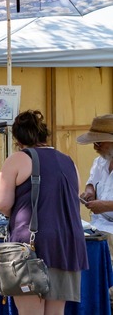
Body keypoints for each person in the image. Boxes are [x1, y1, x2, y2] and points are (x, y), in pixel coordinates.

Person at [0, 110, 88, 315]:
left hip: (32, 245)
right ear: (45, 135)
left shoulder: (18, 159)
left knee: (30, 312)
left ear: (18, 140)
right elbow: (74, 197)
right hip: (67, 242)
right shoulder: (68, 161)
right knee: (56, 312)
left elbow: (1, 203)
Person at [77, 113, 113, 300]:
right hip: (97, 228)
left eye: (100, 142)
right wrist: (89, 191)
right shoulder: (100, 161)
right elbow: (92, 181)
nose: (95, 146)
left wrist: (106, 205)